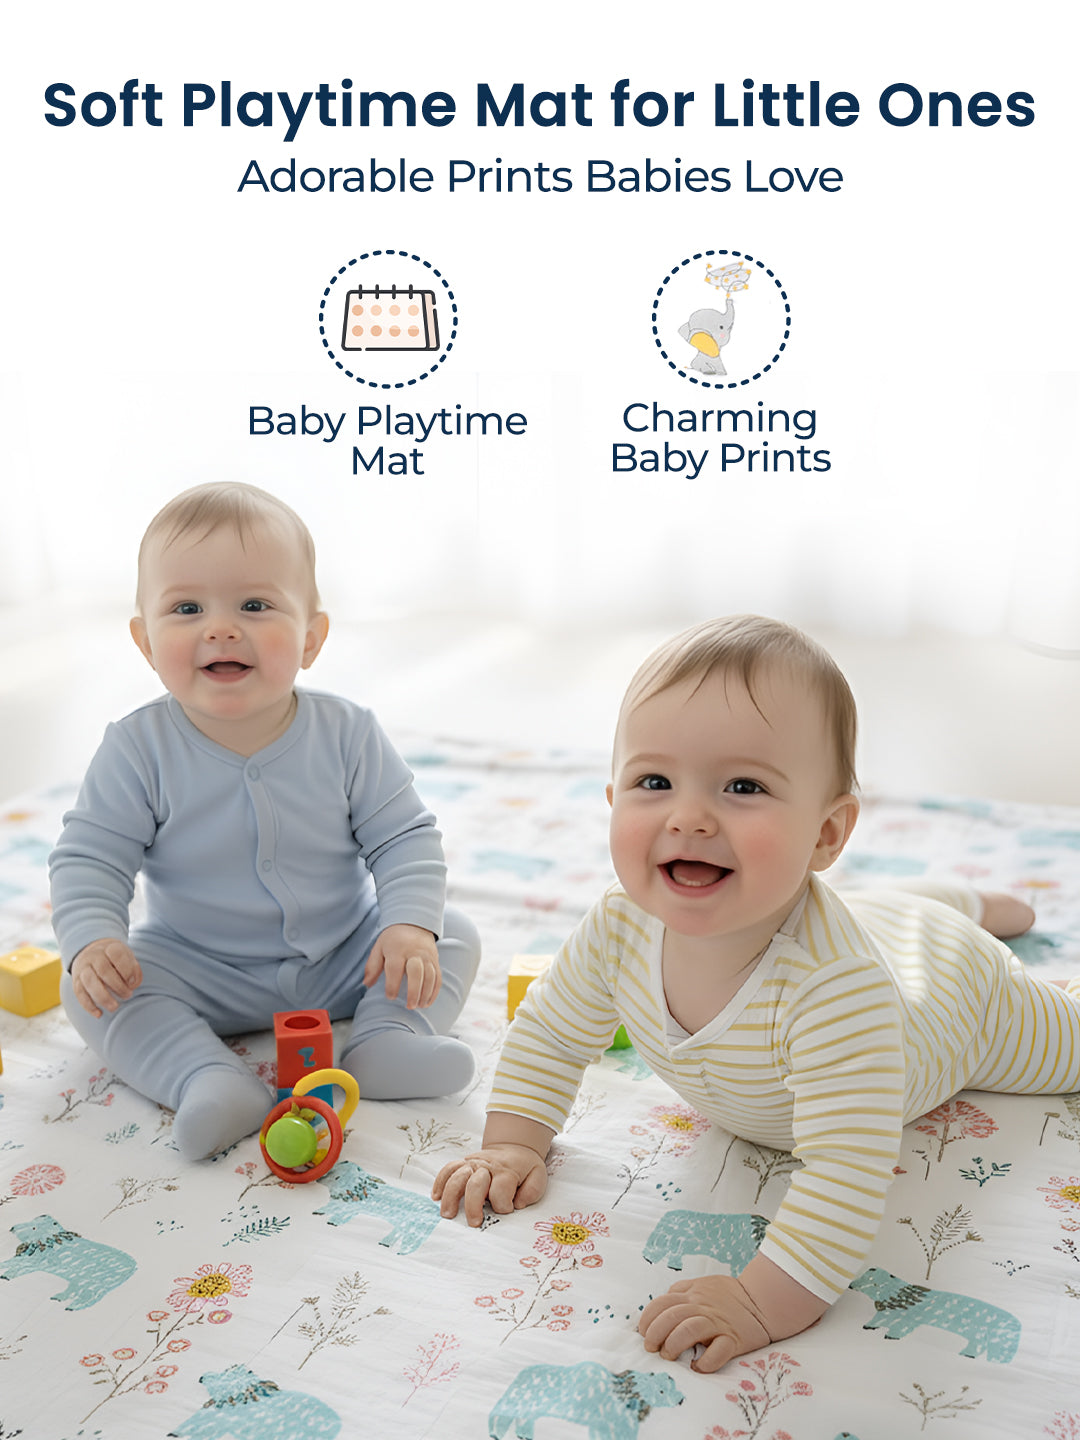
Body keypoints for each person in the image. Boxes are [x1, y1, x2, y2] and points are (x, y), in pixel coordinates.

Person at [433, 613, 1080, 1373]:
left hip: (957, 997)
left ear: (827, 835)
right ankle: (960, 896)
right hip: (872, 918)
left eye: (743, 786)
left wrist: (760, 1300)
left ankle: (966, 915)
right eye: (654, 782)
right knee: (880, 909)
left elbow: (846, 1171)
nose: (689, 816)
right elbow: (552, 1030)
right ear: (612, 797)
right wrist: (514, 1139)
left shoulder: (837, 994)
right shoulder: (619, 924)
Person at [50, 481, 480, 1161]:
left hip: (344, 953)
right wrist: (94, 939)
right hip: (199, 964)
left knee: (449, 932)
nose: (221, 628)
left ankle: (384, 1040)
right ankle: (206, 1078)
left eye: (255, 605)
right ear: (145, 640)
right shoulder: (137, 747)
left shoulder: (348, 732)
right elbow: (90, 858)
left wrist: (405, 927)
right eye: (186, 608)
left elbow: (404, 838)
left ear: (312, 638)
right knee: (89, 993)